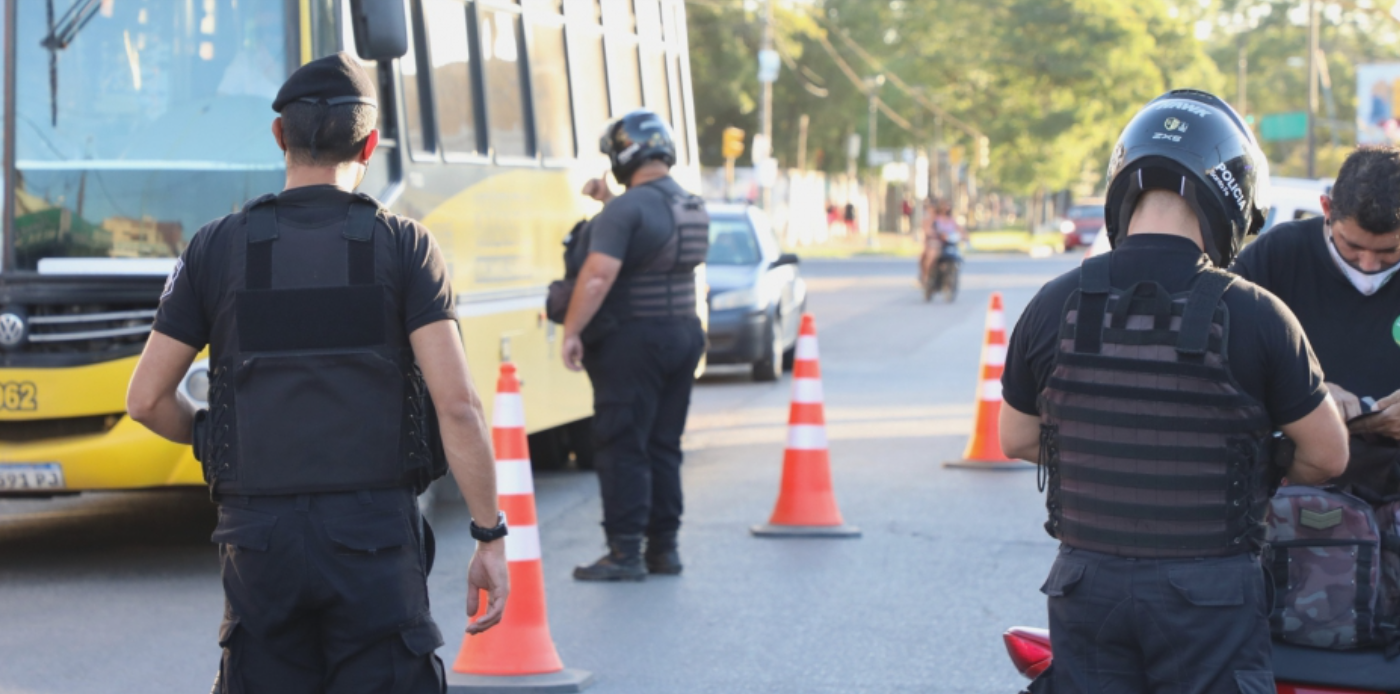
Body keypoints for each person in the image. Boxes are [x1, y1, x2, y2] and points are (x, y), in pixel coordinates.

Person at [124, 53, 509, 693]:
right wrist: (488, 535)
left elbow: (144, 399)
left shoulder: (217, 246)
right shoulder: (405, 245)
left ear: (280, 136)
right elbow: (459, 406)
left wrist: (212, 437)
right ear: (370, 143)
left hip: (259, 547)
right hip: (374, 544)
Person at [998, 90, 1349, 694]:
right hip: (1209, 597)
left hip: (1085, 589)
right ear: (1232, 203)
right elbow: (1330, 455)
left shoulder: (1055, 302)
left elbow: (1016, 437)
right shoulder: (1257, 313)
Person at [563, 109, 709, 581]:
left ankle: (624, 552)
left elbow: (598, 276)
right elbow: (651, 239)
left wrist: (571, 330)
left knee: (622, 443)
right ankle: (664, 550)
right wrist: (610, 202)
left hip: (635, 340)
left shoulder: (627, 210)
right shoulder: (690, 203)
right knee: (664, 444)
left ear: (625, 156)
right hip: (684, 332)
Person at [1232, 146, 1400, 494]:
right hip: (1296, 495)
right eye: (1351, 246)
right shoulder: (1277, 256)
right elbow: (1219, 361)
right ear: (1326, 209)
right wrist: (1310, 396)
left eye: (1389, 252)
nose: (1368, 265)